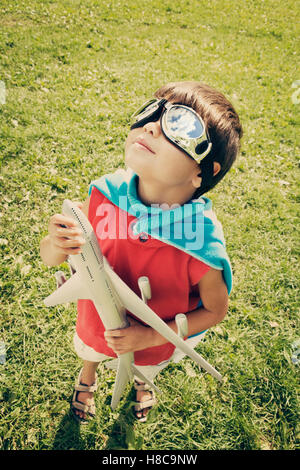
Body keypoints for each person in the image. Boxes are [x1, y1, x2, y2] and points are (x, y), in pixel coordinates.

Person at [40, 81, 243, 423]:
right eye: (152, 111)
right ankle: (87, 377)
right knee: (90, 348)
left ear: (203, 172)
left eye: (180, 126)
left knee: (143, 364)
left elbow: (214, 310)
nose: (150, 125)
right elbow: (55, 259)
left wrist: (149, 335)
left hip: (154, 336)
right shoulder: (105, 194)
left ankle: (140, 382)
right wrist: (55, 243)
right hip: (96, 319)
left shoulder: (200, 240)